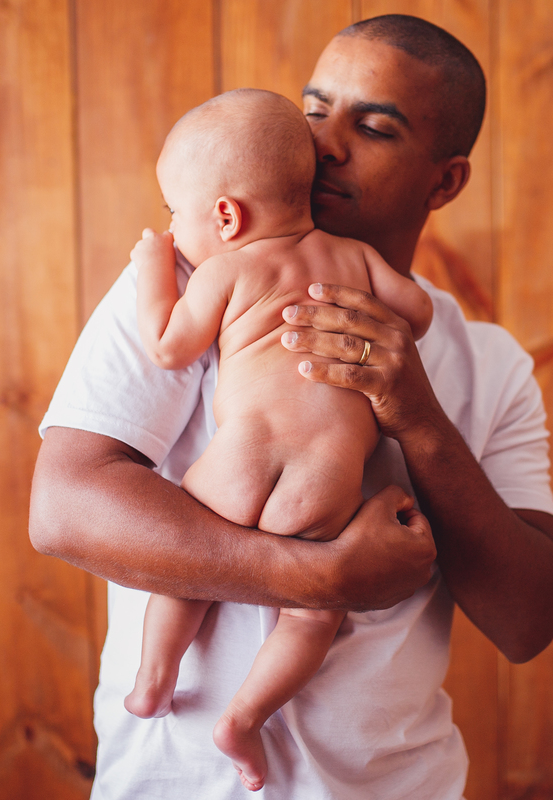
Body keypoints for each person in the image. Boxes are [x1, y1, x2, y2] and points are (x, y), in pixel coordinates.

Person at [30, 14, 553, 800]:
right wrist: (320, 577)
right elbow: (61, 509)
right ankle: (163, 682)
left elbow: (528, 623)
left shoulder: (491, 364)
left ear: (445, 182)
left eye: (374, 127)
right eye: (315, 109)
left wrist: (417, 417)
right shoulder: (190, 281)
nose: (325, 143)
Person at [125, 87, 433, 792]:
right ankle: (244, 719)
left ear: (225, 217)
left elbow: (169, 346)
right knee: (311, 616)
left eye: (175, 214)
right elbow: (416, 312)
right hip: (327, 481)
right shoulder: (355, 259)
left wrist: (151, 269)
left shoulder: (226, 269)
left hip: (238, 462)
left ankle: (153, 678)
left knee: (186, 575)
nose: (171, 229)